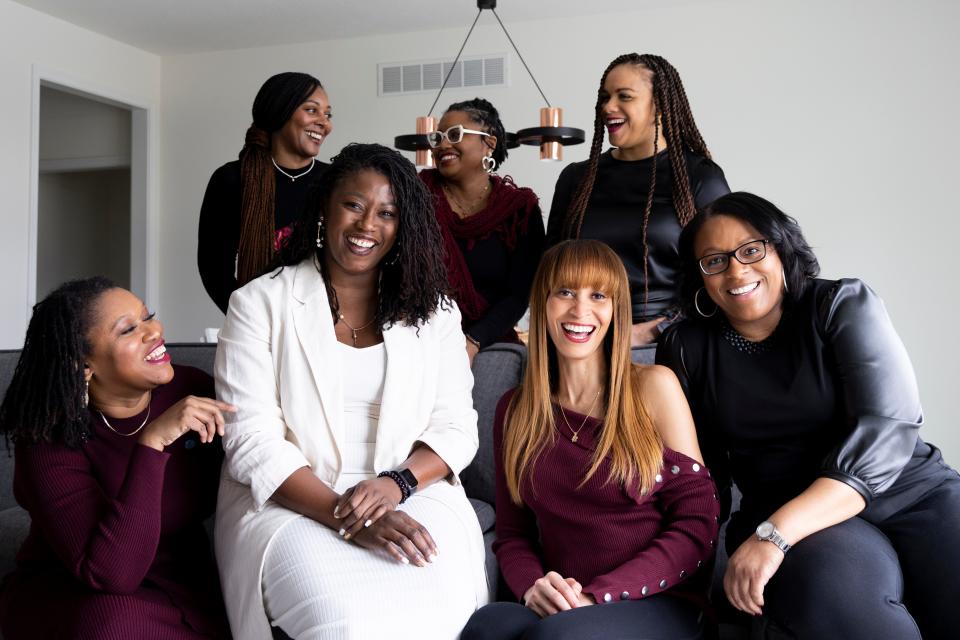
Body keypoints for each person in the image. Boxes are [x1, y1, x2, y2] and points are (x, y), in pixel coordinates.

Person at [214, 143, 488, 639]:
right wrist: (349, 518)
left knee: (442, 614)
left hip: (410, 489)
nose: (367, 226)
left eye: (387, 213)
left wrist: (395, 485)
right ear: (325, 207)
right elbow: (251, 442)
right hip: (292, 499)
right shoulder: (258, 303)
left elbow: (455, 427)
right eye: (354, 205)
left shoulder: (437, 313)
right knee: (343, 623)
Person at [657, 192, 960, 639]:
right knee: (847, 604)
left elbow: (887, 427)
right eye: (714, 260)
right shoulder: (685, 348)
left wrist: (773, 535)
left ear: (780, 246)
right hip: (793, 517)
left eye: (751, 249)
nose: (736, 271)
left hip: (910, 495)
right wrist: (691, 571)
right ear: (700, 277)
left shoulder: (840, 304)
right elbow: (702, 475)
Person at [462, 240, 719, 640]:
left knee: (559, 638)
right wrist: (534, 587)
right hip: (564, 600)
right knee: (488, 626)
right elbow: (514, 535)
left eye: (598, 295)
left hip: (658, 601)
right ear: (542, 303)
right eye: (565, 292)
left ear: (616, 309)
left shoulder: (653, 387)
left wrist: (596, 598)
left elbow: (697, 523)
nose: (580, 310)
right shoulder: (515, 409)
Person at [0, 277, 234, 639]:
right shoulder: (49, 439)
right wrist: (152, 442)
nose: (154, 331)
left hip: (185, 585)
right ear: (85, 366)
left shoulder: (195, 392)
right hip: (82, 594)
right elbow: (112, 574)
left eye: (148, 316)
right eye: (128, 330)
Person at [547, 53, 730, 362]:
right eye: (605, 97)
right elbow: (549, 267)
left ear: (659, 105)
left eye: (624, 96)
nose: (608, 107)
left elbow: (724, 269)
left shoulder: (698, 177)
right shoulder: (576, 178)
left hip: (666, 344)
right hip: (581, 342)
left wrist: (652, 331)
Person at [419, 98, 544, 362]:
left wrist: (472, 342)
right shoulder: (415, 196)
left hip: (488, 341)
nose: (442, 144)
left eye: (454, 135)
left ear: (489, 142)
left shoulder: (520, 210)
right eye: (438, 137)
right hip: (419, 337)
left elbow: (519, 294)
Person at [198, 71, 332, 313]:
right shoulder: (231, 180)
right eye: (312, 110)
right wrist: (247, 318)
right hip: (257, 319)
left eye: (328, 114)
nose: (325, 123)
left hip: (326, 320)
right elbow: (214, 269)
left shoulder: (336, 181)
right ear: (280, 111)